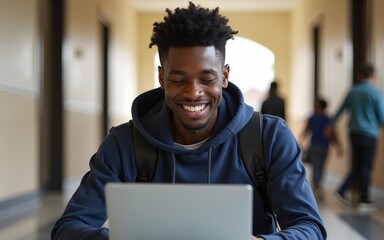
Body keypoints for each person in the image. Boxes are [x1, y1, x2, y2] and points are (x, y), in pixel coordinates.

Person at [51, 2, 326, 239]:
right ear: (161, 78)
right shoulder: (125, 144)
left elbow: (310, 227)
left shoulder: (269, 138)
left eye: (207, 79)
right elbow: (68, 228)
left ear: (225, 75)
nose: (194, 92)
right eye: (179, 79)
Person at [331, 63, 384, 210]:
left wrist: (330, 124)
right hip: (369, 133)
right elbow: (381, 117)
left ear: (360, 75)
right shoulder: (376, 93)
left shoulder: (352, 91)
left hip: (353, 133)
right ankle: (363, 199)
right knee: (366, 166)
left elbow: (340, 110)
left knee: (358, 164)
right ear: (374, 76)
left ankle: (343, 190)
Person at [300, 97, 341, 198]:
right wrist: (338, 146)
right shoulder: (329, 119)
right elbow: (333, 135)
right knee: (320, 167)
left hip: (315, 147)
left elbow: (306, 131)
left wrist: (301, 142)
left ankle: (317, 186)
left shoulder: (312, 118)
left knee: (317, 167)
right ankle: (317, 186)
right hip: (324, 148)